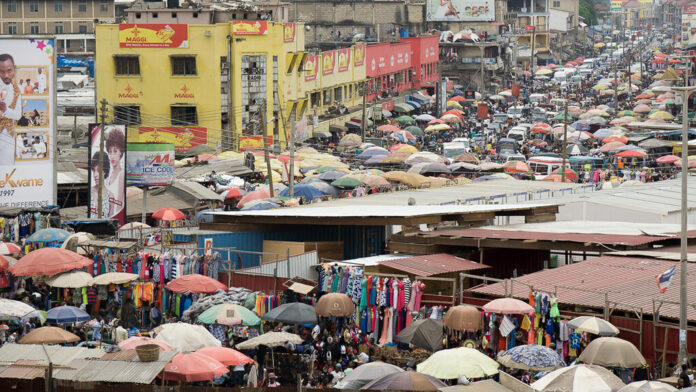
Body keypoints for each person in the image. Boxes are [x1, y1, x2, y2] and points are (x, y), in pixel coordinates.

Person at [0, 53, 21, 166]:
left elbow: (18, 115)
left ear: (14, 69)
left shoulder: (16, 90)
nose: (6, 75)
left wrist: (6, 110)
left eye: (9, 71)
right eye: (2, 72)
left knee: (6, 167)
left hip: (8, 136)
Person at [105, 127, 126, 218]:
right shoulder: (109, 175)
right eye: (110, 152)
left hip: (115, 219)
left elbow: (119, 205)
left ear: (121, 152)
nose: (112, 156)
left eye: (115, 151)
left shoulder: (121, 175)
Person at [89, 151, 112, 219]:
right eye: (94, 171)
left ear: (104, 171)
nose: (95, 175)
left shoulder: (110, 196)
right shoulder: (89, 192)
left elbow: (111, 221)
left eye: (98, 171)